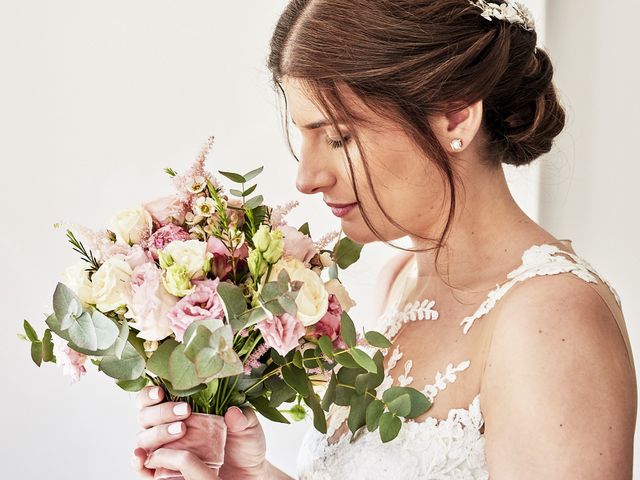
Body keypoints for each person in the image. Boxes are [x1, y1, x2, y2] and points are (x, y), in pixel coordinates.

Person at [132, 1, 637, 478]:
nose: (305, 179)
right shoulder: (399, 281)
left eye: (337, 137)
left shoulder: (550, 318)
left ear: (455, 115)